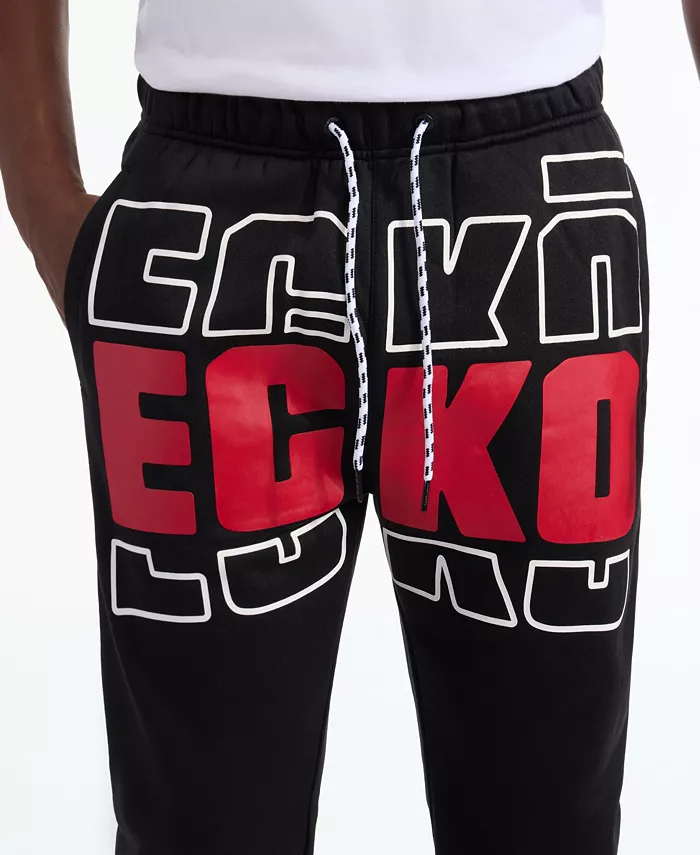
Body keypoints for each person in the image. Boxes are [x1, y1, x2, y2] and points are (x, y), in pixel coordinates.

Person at [1, 3, 698, 853]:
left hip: (529, 209)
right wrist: (40, 191)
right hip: (211, 212)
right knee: (200, 826)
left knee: (546, 821)